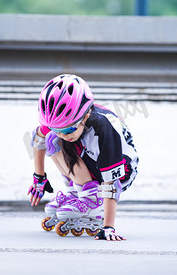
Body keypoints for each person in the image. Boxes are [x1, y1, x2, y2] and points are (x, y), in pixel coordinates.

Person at [28, 74, 138, 241]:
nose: (61, 134)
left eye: (67, 130)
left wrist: (108, 227)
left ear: (85, 116)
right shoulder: (63, 121)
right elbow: (38, 139)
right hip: (93, 159)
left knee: (58, 141)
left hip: (121, 169)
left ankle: (92, 199)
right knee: (52, 139)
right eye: (55, 128)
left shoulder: (103, 129)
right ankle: (77, 191)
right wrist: (39, 177)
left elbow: (112, 183)